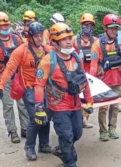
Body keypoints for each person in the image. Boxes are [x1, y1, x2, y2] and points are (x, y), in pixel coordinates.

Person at [34, 22, 93, 167]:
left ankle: (62, 150)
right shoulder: (47, 61)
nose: (68, 41)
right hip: (58, 106)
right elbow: (39, 85)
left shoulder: (75, 58)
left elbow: (83, 80)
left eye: (70, 38)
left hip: (75, 104)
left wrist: (89, 101)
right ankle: (70, 162)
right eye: (64, 39)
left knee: (77, 133)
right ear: (55, 42)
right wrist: (39, 109)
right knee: (66, 136)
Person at [0, 21, 53, 160]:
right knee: (35, 118)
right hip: (30, 89)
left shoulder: (47, 50)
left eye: (41, 35)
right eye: (36, 36)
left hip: (45, 88)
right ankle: (29, 147)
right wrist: (0, 87)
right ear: (29, 37)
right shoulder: (21, 50)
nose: (39, 38)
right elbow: (9, 69)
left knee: (47, 116)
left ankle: (44, 144)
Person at [0, 11, 29, 143]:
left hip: (18, 76)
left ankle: (25, 128)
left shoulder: (16, 39)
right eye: (2, 26)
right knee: (8, 105)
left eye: (7, 25)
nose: (5, 28)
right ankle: (12, 131)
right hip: (3, 77)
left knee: (22, 103)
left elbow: (25, 53)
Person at [90, 14, 121, 142]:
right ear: (105, 28)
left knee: (115, 106)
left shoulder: (120, 42)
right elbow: (93, 65)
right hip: (103, 81)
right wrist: (92, 83)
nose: (114, 30)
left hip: (117, 80)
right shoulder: (97, 45)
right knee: (103, 107)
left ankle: (112, 128)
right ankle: (103, 131)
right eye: (111, 27)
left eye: (116, 28)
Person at [72, 13, 98, 129]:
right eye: (85, 24)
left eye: (90, 25)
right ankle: (78, 120)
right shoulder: (74, 40)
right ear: (81, 25)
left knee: (88, 98)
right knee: (77, 97)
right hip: (77, 74)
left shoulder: (96, 41)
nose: (88, 27)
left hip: (91, 74)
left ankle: (84, 119)